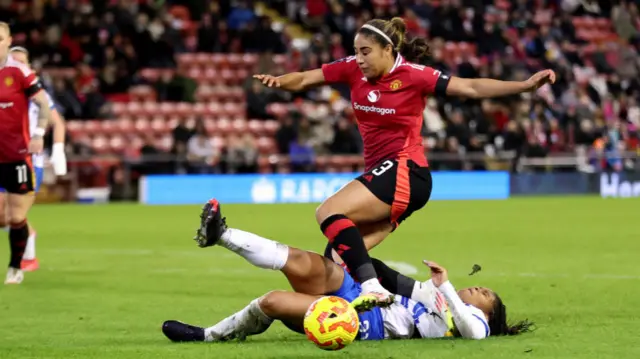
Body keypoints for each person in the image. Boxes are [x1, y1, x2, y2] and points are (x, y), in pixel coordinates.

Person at [253, 17, 556, 305]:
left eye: (366, 51)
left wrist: (524, 86)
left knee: (329, 211)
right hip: (387, 175)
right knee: (338, 258)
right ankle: (425, 299)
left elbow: (471, 87)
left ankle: (372, 288)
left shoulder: (415, 75)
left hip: (406, 170)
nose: (358, 58)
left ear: (388, 50)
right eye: (356, 51)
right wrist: (280, 81)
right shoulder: (351, 70)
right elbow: (307, 78)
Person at [162, 199, 533, 342]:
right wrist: (373, 236)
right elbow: (384, 274)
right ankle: (222, 234)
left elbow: (475, 336)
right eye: (481, 287)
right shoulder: (428, 294)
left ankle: (208, 336)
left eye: (485, 294)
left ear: (488, 313)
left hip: (361, 323)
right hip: (359, 294)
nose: (478, 289)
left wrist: (447, 286)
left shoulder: (469, 321)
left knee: (272, 303)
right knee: (306, 259)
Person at [0, 46, 67, 273]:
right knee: (5, 217)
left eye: (21, 62)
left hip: (29, 160)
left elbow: (57, 122)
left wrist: (58, 151)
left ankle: (27, 258)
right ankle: (24, 238)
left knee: (14, 213)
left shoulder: (38, 93)